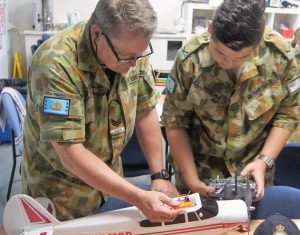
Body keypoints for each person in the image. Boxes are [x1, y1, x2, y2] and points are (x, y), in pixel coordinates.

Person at [22, 0, 182, 221]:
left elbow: (145, 111)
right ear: (97, 34)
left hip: (110, 186)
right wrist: (137, 196)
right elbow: (70, 153)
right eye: (126, 55)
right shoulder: (55, 64)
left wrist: (159, 175)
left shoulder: (131, 51)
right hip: (61, 194)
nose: (134, 63)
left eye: (141, 54)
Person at [162, 0, 300, 200]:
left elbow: (288, 114)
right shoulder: (190, 60)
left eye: (240, 57)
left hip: (253, 174)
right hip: (199, 173)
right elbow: (174, 121)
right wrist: (191, 180)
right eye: (219, 52)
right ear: (210, 28)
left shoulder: (281, 58)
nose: (227, 63)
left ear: (259, 41)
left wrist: (264, 161)